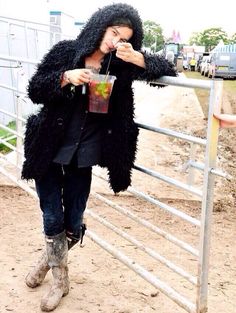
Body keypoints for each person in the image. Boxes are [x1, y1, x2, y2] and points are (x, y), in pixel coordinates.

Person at [22, 3, 177, 311]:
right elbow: (36, 88)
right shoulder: (67, 51)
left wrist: (138, 58)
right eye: (113, 32)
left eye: (124, 38)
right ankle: (59, 282)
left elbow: (168, 71)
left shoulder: (119, 65)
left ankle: (48, 261)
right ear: (100, 25)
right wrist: (66, 77)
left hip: (86, 153)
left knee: (74, 222)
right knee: (52, 215)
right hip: (49, 148)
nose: (115, 41)